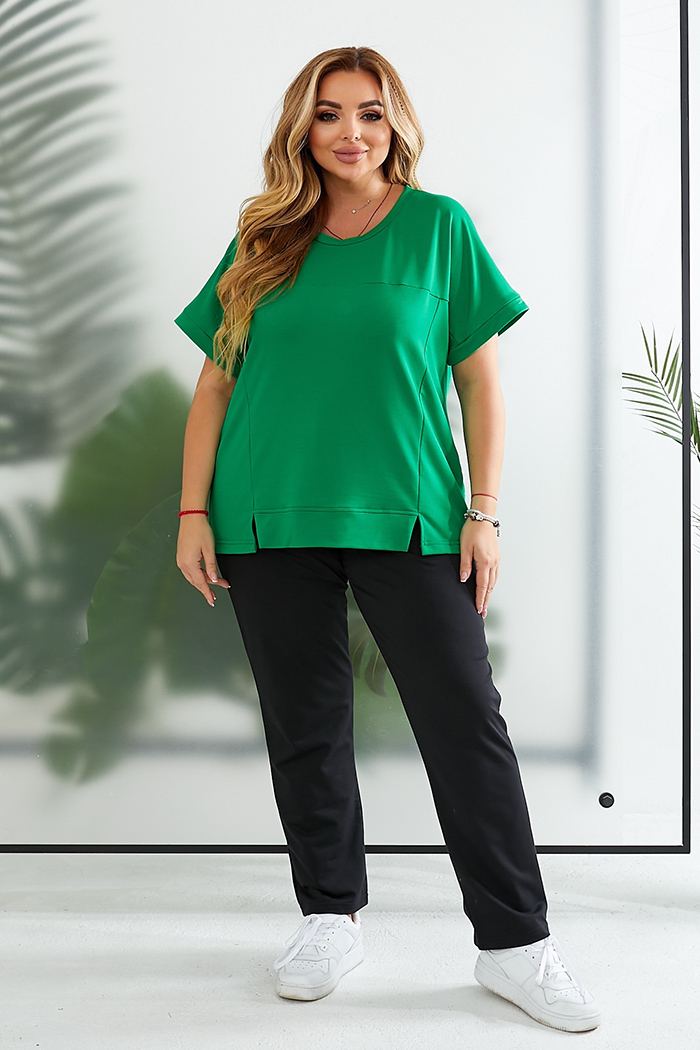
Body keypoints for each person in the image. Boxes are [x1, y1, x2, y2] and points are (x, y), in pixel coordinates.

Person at [173, 46, 601, 1033]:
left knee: (464, 722)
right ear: (302, 128)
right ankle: (329, 918)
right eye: (329, 114)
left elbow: (480, 382)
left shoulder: (439, 228)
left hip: (410, 516)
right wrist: (193, 513)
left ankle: (516, 944)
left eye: (370, 112)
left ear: (395, 123)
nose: (350, 132)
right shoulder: (262, 237)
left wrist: (483, 511)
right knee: (305, 724)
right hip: (266, 513)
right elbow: (215, 385)